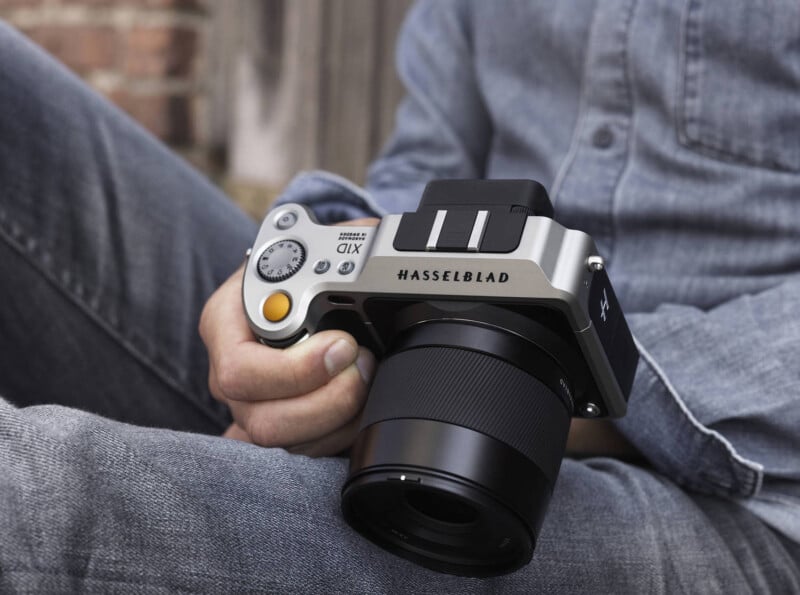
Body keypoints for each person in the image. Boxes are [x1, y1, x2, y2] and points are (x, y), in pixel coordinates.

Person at [1, 1, 799, 592]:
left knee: (46, 496)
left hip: (746, 493)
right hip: (413, 363)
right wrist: (298, 290)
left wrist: (561, 390)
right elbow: (421, 177)